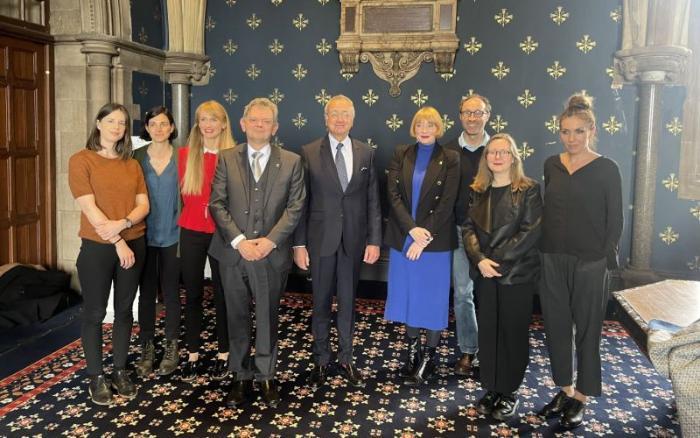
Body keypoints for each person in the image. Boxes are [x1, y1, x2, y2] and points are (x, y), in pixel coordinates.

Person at [208, 97, 305, 408]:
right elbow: (217, 204)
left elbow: (295, 207)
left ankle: (265, 375)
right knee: (235, 316)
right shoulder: (226, 158)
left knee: (267, 315)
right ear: (243, 124)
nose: (259, 125)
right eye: (254, 120)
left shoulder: (291, 161)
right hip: (234, 254)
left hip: (271, 254)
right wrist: (239, 240)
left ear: (274, 127)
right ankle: (239, 375)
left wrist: (269, 241)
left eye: (266, 121)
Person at [538, 94, 623, 429]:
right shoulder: (551, 165)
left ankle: (583, 396)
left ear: (592, 130)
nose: (571, 138)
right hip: (552, 258)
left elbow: (615, 220)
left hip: (591, 261)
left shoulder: (607, 169)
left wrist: (604, 258)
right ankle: (565, 389)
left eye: (578, 131)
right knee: (556, 329)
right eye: (565, 131)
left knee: (588, 332)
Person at [293, 95, 382, 388]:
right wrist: (299, 244)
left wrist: (374, 240)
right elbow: (300, 203)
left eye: (345, 114)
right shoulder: (307, 152)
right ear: (326, 118)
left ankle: (346, 358)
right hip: (319, 242)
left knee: (347, 302)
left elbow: (372, 201)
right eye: (335, 114)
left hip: (354, 241)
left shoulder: (367, 153)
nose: (340, 119)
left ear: (353, 119)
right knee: (320, 303)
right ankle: (320, 359)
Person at [68, 103, 149, 405]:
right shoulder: (81, 160)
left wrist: (125, 223)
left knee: (126, 311)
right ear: (99, 123)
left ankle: (119, 370)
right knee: (95, 312)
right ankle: (95, 376)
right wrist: (118, 240)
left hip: (134, 242)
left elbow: (144, 206)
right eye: (111, 120)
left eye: (123, 123)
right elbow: (89, 208)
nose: (117, 127)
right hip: (98, 248)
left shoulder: (131, 164)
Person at [462, 133, 542, 421]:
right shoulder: (478, 189)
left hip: (515, 274)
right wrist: (480, 259)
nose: (497, 157)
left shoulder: (529, 189)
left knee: (513, 333)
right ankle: (492, 388)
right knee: (490, 331)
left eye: (503, 152)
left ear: (513, 157)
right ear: (486, 158)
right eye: (492, 153)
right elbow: (468, 228)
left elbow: (530, 233)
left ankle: (509, 392)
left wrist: (495, 260)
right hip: (485, 273)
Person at [384, 106, 460, 386]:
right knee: (409, 297)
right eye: (420, 124)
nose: (425, 129)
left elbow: (447, 202)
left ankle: (429, 357)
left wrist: (424, 235)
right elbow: (393, 195)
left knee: (431, 300)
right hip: (404, 237)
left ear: (438, 128)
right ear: (413, 128)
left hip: (435, 242)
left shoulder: (450, 158)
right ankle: (412, 351)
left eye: (430, 124)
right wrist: (412, 230)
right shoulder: (401, 153)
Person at [178, 100, 236, 381]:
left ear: (224, 123)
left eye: (213, 119)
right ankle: (193, 354)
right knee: (193, 294)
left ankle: (224, 354)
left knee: (224, 294)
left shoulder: (235, 156)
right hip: (190, 231)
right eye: (203, 120)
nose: (208, 125)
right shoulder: (186, 156)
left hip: (222, 233)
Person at [444, 94, 491, 375]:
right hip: (459, 232)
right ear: (460, 116)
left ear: (488, 115)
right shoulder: (448, 152)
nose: (473, 117)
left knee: (490, 294)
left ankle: (492, 350)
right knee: (463, 293)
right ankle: (468, 351)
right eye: (467, 113)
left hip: (491, 236)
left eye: (479, 112)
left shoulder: (499, 149)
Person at [133, 106, 181, 378]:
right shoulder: (136, 157)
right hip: (144, 235)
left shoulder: (183, 157)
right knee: (147, 293)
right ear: (147, 128)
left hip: (174, 234)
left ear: (171, 127)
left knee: (172, 292)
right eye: (154, 124)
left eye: (164, 124)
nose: (159, 128)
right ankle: (147, 347)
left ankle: (171, 347)